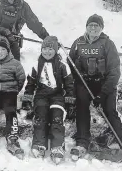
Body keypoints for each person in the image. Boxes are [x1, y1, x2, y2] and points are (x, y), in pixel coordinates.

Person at [68, 14, 122, 161]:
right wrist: (78, 79)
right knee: (81, 105)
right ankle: (82, 142)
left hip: (104, 83)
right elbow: (71, 63)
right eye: (90, 25)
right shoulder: (78, 43)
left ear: (101, 28)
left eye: (96, 25)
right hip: (85, 83)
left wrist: (102, 93)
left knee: (109, 111)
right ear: (86, 27)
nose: (93, 28)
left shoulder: (107, 44)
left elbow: (114, 72)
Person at [21, 36, 74, 164]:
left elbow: (69, 86)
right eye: (44, 49)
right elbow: (30, 84)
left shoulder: (63, 66)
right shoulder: (36, 65)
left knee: (57, 118)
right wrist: (27, 100)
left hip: (57, 96)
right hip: (41, 95)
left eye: (50, 49)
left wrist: (70, 103)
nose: (47, 52)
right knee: (40, 117)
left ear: (56, 50)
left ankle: (57, 146)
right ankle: (39, 144)